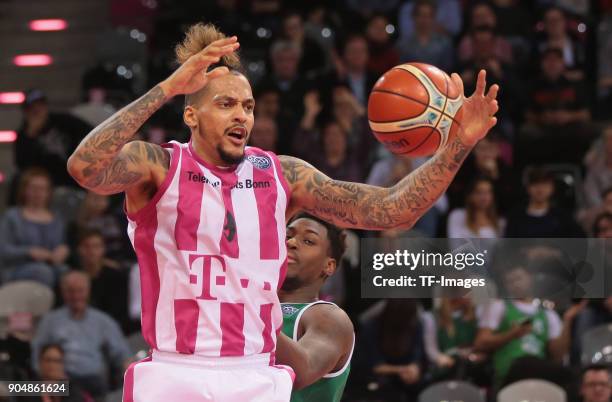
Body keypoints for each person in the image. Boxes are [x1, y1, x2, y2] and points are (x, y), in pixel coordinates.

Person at [66, 22, 498, 401]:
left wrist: (459, 145)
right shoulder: (158, 166)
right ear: (192, 114)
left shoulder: (282, 175)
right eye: (226, 104)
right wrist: (166, 89)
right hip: (175, 371)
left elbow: (392, 212)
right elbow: (84, 167)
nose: (242, 115)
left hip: (255, 372)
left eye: (248, 106)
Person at [279, 213, 354, 400]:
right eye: (287, 236)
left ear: (328, 265)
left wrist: (247, 311)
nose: (292, 242)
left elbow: (302, 371)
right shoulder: (252, 305)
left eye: (308, 241)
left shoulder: (330, 317)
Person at [474, 261, 585, 385]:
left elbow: (558, 356)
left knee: (575, 376)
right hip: (510, 368)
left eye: (518, 278)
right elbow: (480, 343)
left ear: (530, 278)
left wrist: (567, 320)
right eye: (510, 281)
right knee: (526, 363)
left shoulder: (548, 314)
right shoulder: (499, 306)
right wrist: (512, 334)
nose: (515, 284)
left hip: (538, 370)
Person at [31, 271, 132, 398]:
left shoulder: (103, 321)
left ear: (88, 291)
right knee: (18, 388)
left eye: (80, 291)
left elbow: (123, 355)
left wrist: (130, 376)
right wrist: (44, 378)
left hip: (93, 381)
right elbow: (36, 353)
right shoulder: (50, 321)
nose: (76, 296)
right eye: (71, 291)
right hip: (60, 381)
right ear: (63, 293)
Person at [0, 168, 69, 287]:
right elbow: (3, 249)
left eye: (42, 189)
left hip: (53, 267)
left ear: (48, 192)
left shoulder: (57, 219)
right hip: (18, 268)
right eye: (34, 188)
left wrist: (63, 249)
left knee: (73, 277)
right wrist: (29, 252)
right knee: (42, 272)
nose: (38, 193)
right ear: (24, 190)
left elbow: (61, 245)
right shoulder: (12, 216)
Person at [23, 343, 93, 402]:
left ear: (63, 365)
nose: (52, 365)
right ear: (40, 362)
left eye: (57, 361)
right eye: (48, 360)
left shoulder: (72, 389)